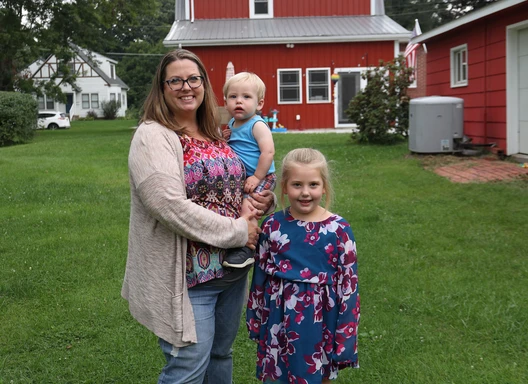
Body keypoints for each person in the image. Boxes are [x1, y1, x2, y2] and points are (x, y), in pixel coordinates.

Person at [121, 49, 275, 384]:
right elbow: (168, 206)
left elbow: (238, 182)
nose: (185, 86)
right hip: (190, 278)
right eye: (174, 80)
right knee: (187, 368)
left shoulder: (217, 132)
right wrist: (238, 231)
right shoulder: (153, 135)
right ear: (162, 88)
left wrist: (263, 198)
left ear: (204, 84)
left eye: (193, 78)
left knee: (221, 356)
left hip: (232, 272)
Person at [246, 148, 360, 384]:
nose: (305, 193)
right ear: (285, 187)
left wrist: (345, 336)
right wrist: (255, 318)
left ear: (324, 186)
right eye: (297, 185)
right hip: (278, 317)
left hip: (321, 321)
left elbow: (349, 286)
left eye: (313, 185)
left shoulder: (339, 230)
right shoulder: (272, 226)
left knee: (317, 376)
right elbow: (260, 277)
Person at [221, 72, 276, 269]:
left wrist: (257, 176)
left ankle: (247, 248)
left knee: (248, 207)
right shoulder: (232, 124)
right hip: (247, 178)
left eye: (246, 97)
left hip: (262, 175)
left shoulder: (257, 125)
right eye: (233, 96)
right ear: (225, 101)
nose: (239, 101)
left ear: (259, 104)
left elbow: (268, 152)